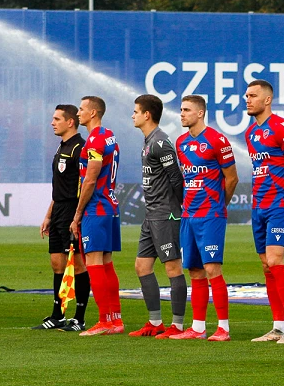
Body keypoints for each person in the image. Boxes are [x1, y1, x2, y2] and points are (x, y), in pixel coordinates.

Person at [244, 79, 284, 344]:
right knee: (266, 267)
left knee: (275, 262)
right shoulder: (250, 133)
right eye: (246, 95)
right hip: (259, 205)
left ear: (267, 100)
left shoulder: (281, 127)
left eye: (253, 95)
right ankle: (278, 327)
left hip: (280, 204)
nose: (247, 99)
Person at [174, 95, 238, 341]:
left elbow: (231, 178)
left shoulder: (217, 140)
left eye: (187, 110)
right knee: (195, 271)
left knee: (212, 269)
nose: (182, 114)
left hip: (211, 214)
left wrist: (219, 205)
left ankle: (223, 328)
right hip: (188, 214)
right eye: (181, 109)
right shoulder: (181, 142)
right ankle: (198, 328)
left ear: (200, 113)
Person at [127, 94, 188, 338]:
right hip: (151, 214)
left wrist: (175, 208)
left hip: (165, 214)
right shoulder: (148, 141)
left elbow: (176, 178)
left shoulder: (161, 142)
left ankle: (178, 325)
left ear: (147, 115)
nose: (132, 115)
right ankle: (155, 322)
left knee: (173, 267)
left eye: (135, 111)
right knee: (142, 267)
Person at [70, 96, 123, 336]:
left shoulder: (94, 141)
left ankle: (104, 321)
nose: (78, 113)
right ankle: (115, 319)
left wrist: (78, 213)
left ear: (93, 113)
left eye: (81, 109)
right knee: (107, 264)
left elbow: (90, 179)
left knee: (93, 264)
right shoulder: (109, 135)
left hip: (96, 208)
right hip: (110, 206)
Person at [35, 104, 91, 331]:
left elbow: (84, 185)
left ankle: (79, 317)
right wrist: (48, 215)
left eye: (57, 119)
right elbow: (58, 186)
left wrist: (77, 216)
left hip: (72, 210)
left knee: (77, 264)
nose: (52, 122)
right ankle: (57, 314)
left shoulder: (81, 147)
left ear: (70, 122)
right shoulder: (62, 147)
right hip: (58, 210)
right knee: (57, 264)